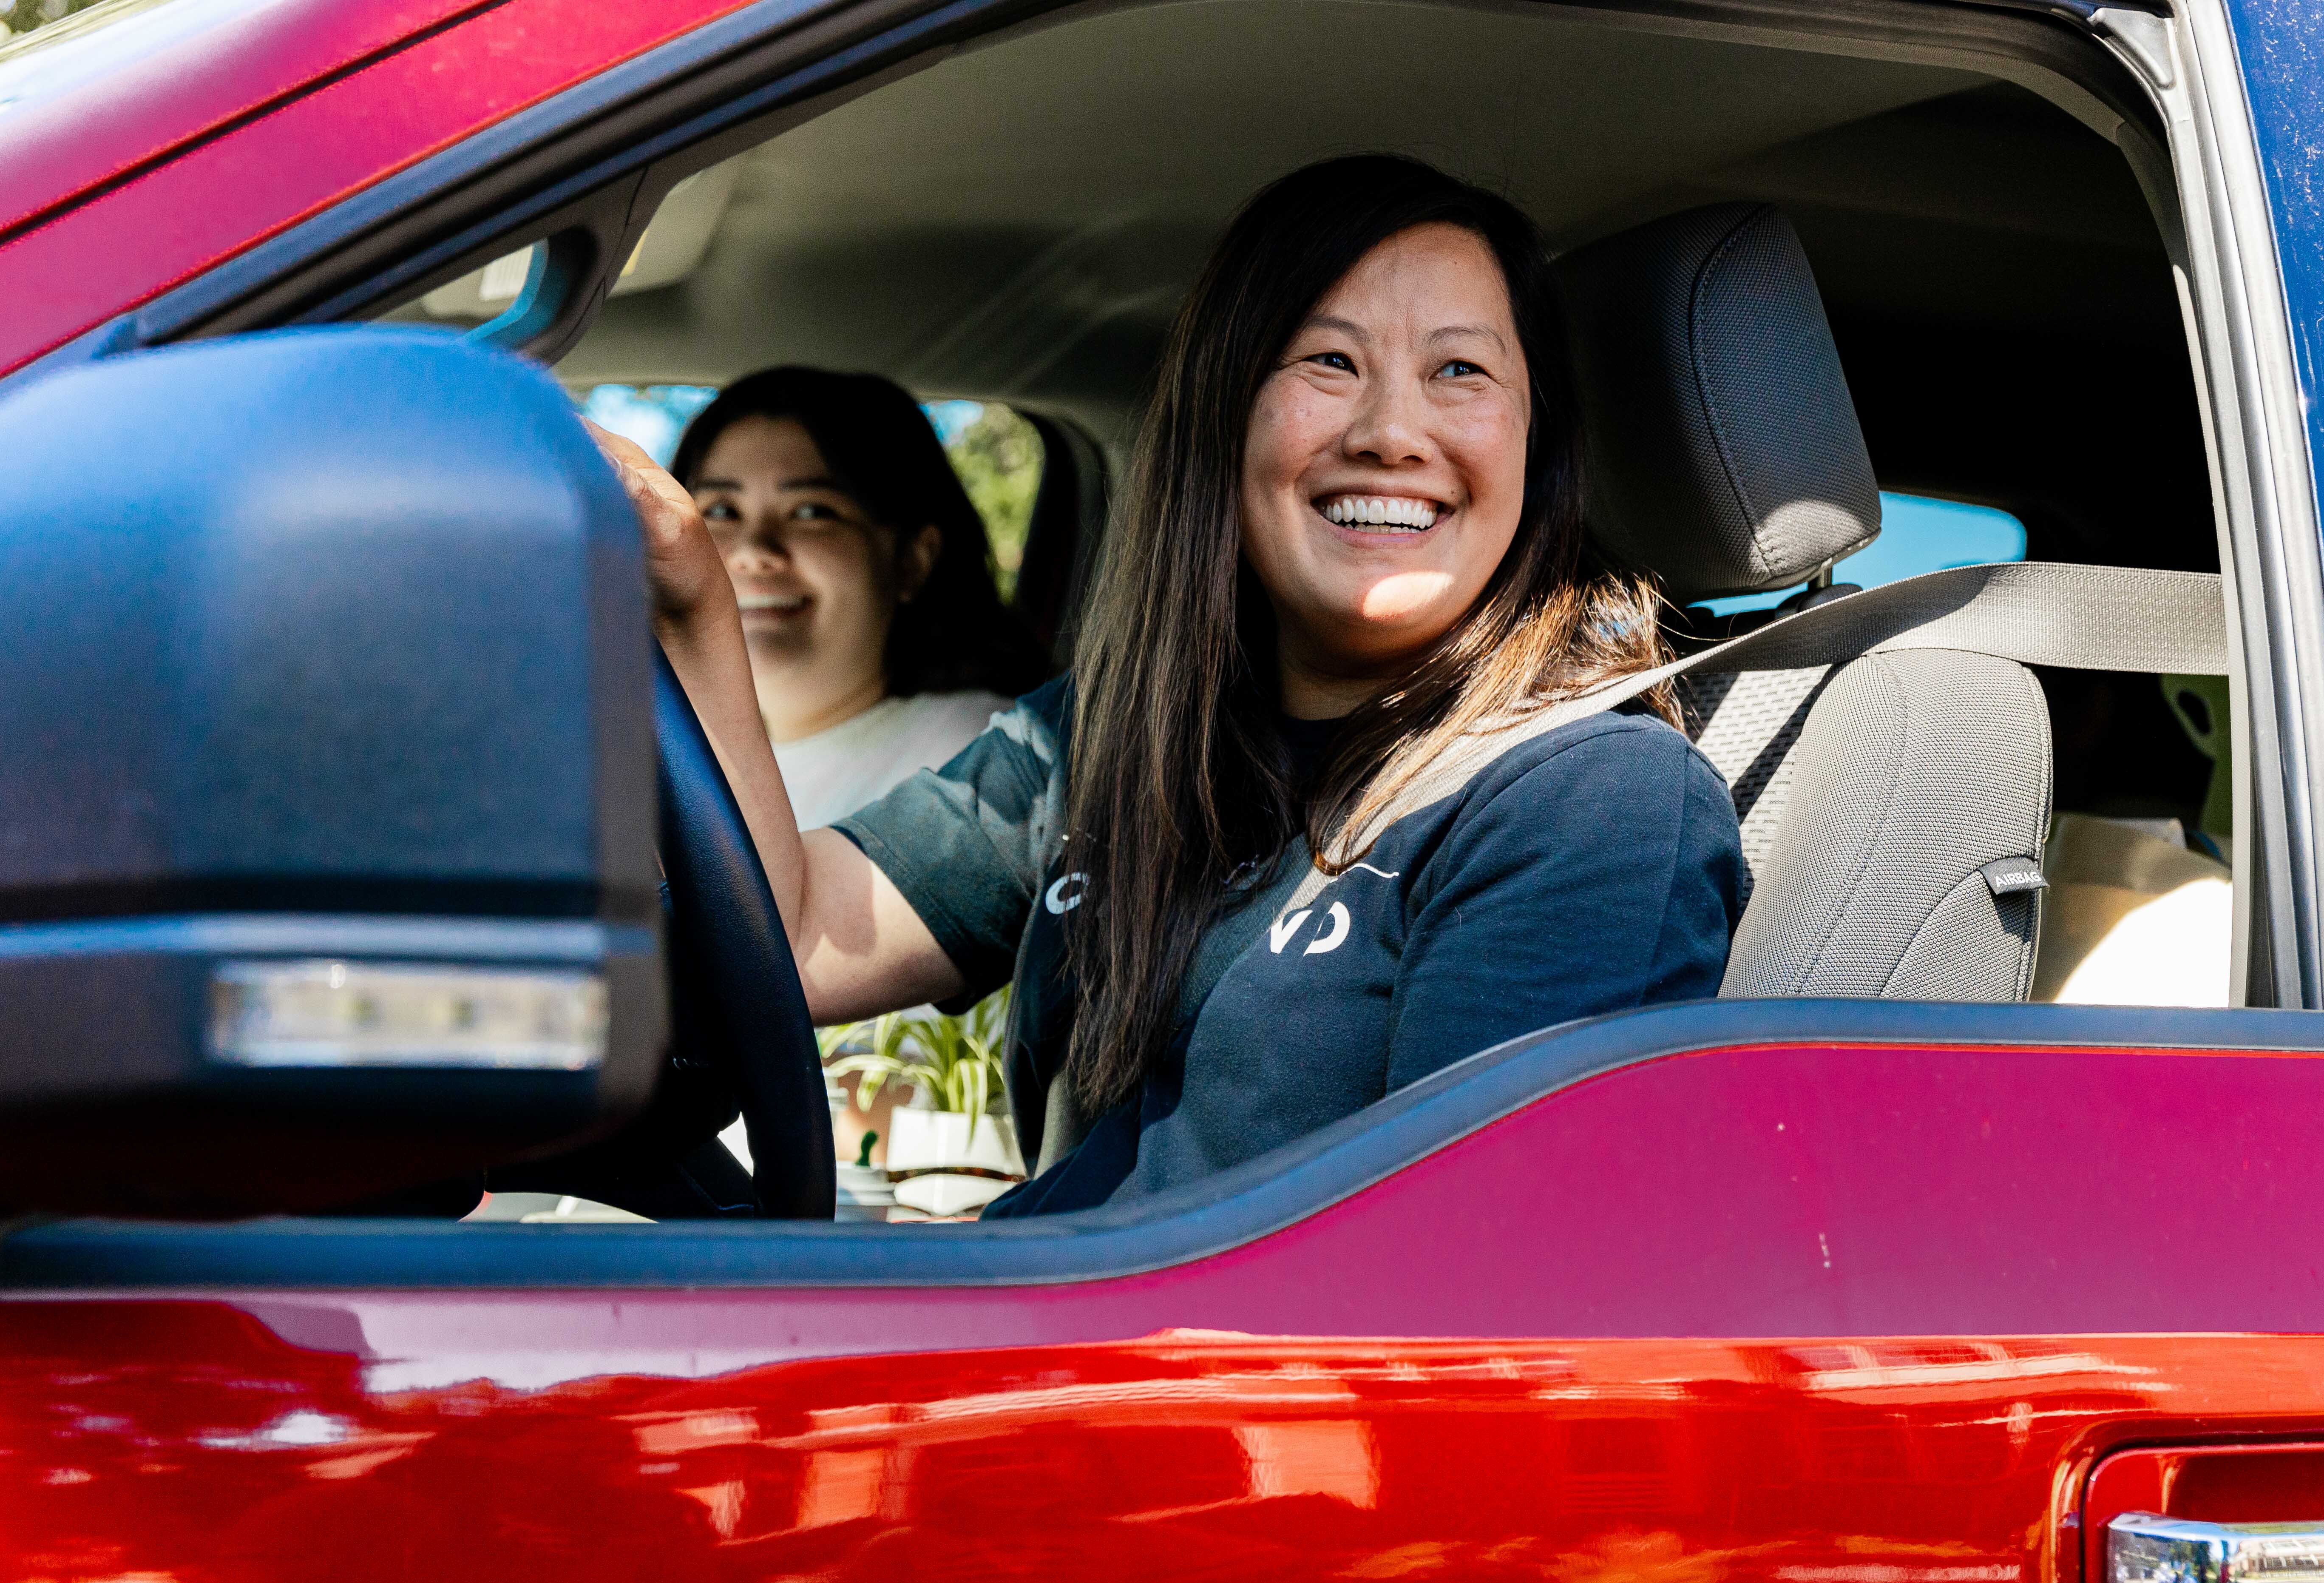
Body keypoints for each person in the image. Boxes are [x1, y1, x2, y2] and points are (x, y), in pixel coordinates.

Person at [590, 155, 1745, 1217]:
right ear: (1223, 420)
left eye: (1460, 371)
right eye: (1330, 361)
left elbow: (1453, 1321)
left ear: (1534, 447)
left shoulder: (1588, 802)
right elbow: (792, 936)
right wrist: (690, 589)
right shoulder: (1115, 737)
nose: (1395, 431)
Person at [670, 369, 1046, 827]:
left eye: (811, 512)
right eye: (722, 511)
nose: (753, 552)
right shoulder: (675, 762)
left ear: (911, 560)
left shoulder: (979, 763)